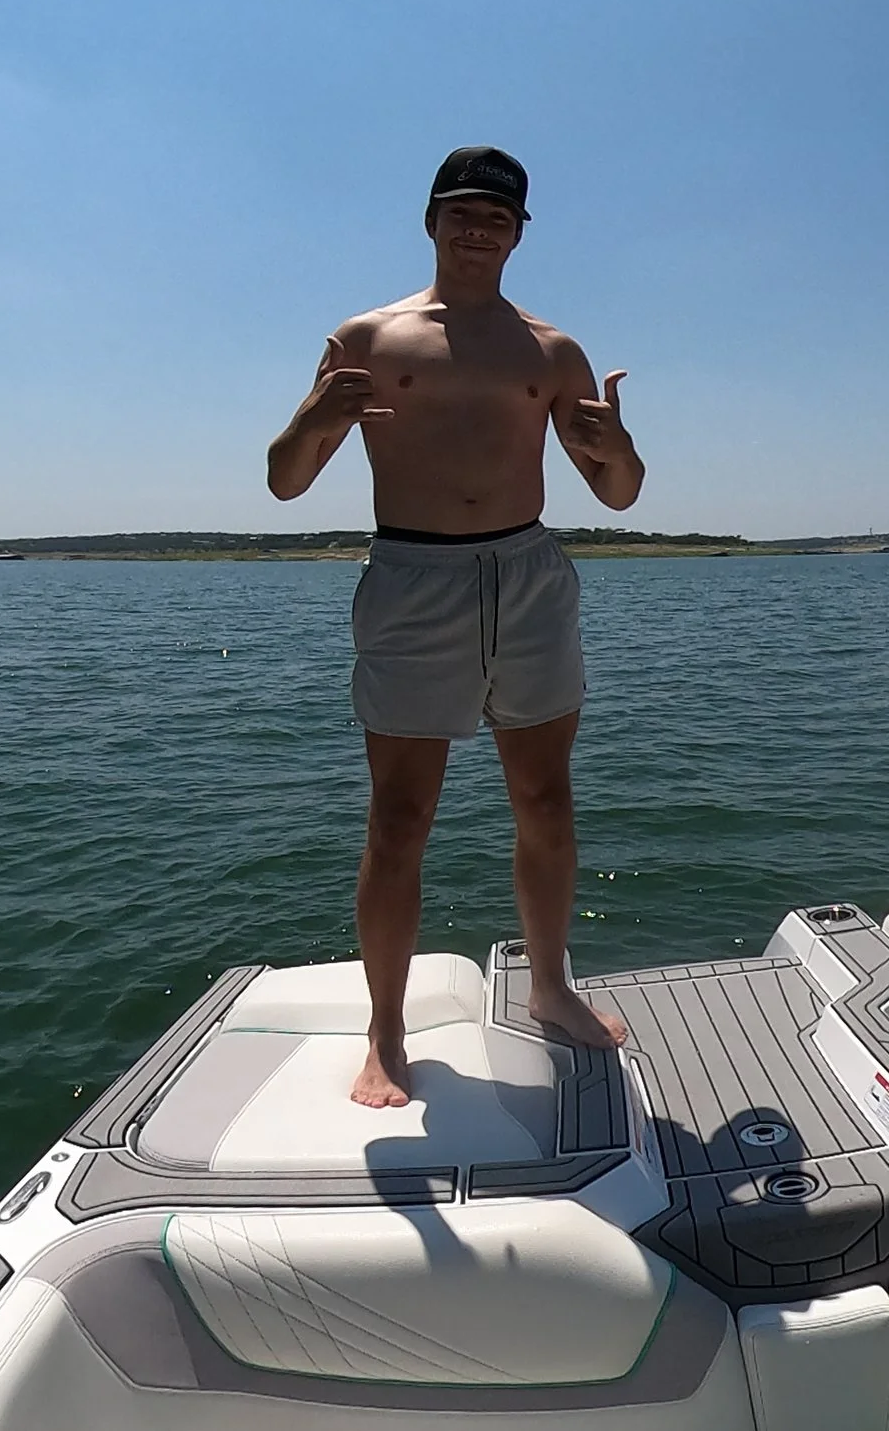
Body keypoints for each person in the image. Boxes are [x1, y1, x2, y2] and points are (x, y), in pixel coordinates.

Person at [267, 146, 645, 1107]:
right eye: (462, 213)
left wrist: (621, 447)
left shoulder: (551, 352)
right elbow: (285, 477)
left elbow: (618, 494)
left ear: (520, 232)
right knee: (399, 820)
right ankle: (385, 1034)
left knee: (547, 799)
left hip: (527, 575)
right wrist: (316, 410)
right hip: (412, 579)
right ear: (431, 222)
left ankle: (551, 988)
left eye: (498, 217)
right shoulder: (367, 336)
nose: (479, 229)